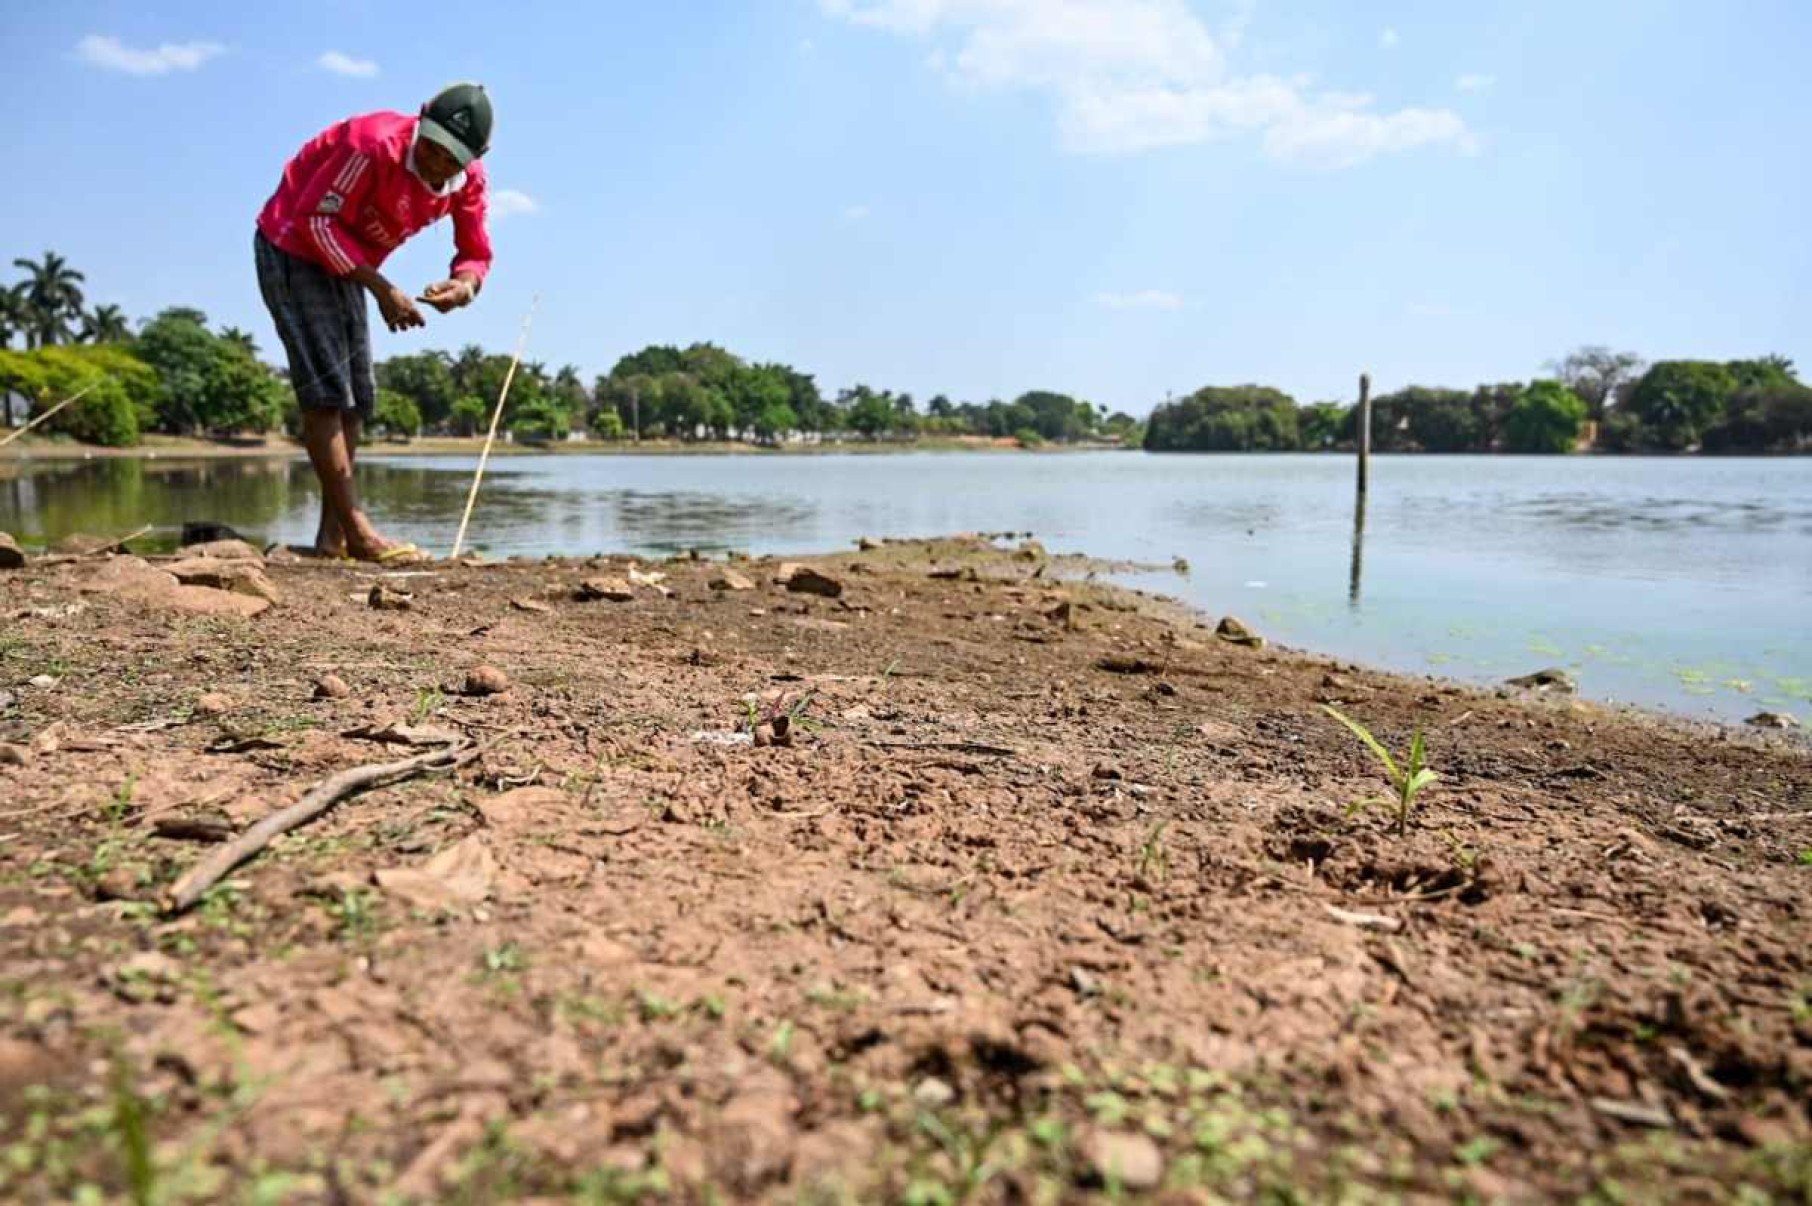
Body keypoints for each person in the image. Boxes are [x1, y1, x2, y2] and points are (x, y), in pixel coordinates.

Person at [255, 83, 495, 561]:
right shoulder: (370, 144)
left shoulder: (468, 182)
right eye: (430, 147)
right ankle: (359, 531)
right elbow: (316, 223)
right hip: (292, 244)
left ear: (471, 159)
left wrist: (463, 287)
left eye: (451, 159)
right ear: (418, 125)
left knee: (357, 397)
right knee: (326, 393)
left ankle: (333, 537)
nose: (435, 163)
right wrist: (382, 288)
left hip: (351, 259)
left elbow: (475, 253)